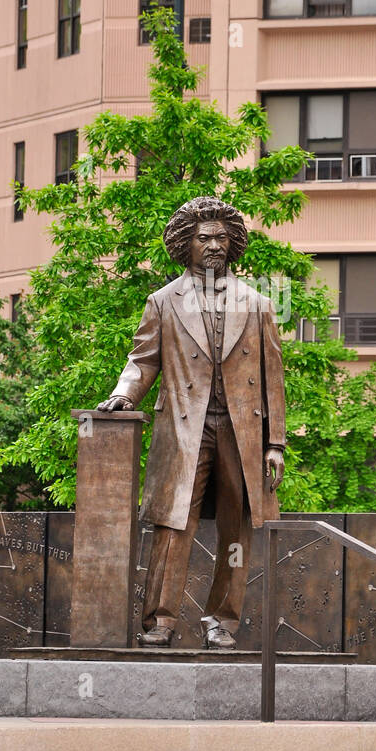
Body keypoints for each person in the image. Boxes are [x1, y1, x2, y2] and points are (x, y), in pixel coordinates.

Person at [97, 197, 286, 649]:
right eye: (204, 238)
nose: (214, 245)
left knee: (236, 526)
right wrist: (124, 394)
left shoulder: (258, 302)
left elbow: (273, 376)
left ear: (233, 243)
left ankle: (225, 621)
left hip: (242, 430)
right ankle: (159, 621)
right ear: (187, 244)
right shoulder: (162, 302)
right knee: (173, 524)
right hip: (185, 429)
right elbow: (142, 361)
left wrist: (275, 442)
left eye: (222, 237)